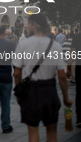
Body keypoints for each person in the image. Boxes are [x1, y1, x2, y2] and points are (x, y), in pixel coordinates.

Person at [13, 14, 72, 142]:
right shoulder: (55, 46)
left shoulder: (23, 45)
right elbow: (61, 76)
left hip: (31, 91)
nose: (27, 26)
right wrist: (66, 97)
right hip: (49, 90)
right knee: (52, 130)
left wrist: (18, 91)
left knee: (33, 131)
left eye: (28, 23)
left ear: (34, 25)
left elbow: (17, 73)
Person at [67, 31, 81, 128]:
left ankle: (79, 119)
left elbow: (72, 54)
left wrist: (68, 68)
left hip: (80, 68)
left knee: (79, 93)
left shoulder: (77, 37)